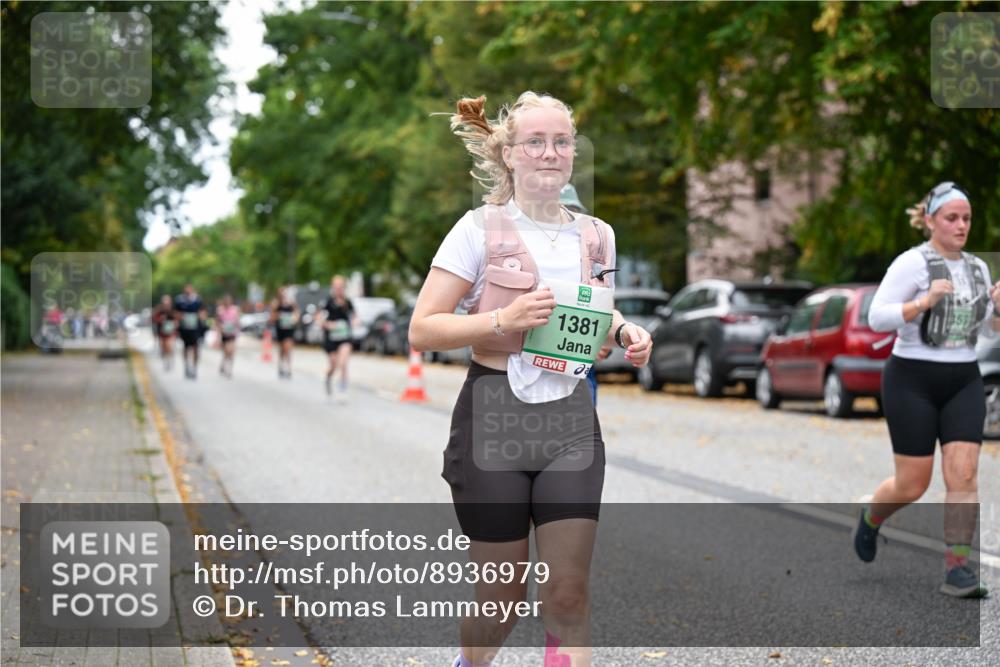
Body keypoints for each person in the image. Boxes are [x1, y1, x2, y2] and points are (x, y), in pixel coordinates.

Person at [409, 92, 652, 667]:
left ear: (574, 153)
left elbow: (594, 309)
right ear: (511, 155)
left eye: (561, 142)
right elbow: (422, 329)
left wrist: (623, 333)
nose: (550, 153)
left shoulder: (596, 235)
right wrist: (501, 320)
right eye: (536, 143)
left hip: (570, 418)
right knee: (501, 600)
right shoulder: (477, 229)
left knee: (567, 594)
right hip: (492, 417)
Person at [856, 181, 1000, 598]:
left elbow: (988, 332)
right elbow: (877, 318)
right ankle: (871, 517)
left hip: (963, 378)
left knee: (965, 474)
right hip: (911, 379)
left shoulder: (978, 268)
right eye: (952, 218)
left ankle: (958, 570)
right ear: (931, 220)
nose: (961, 226)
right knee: (912, 484)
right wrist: (922, 303)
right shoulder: (911, 264)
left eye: (967, 218)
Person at [318, 275, 358, 401]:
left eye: (341, 286)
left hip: (345, 337)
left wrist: (356, 322)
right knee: (333, 364)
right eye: (336, 287)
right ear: (333, 287)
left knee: (343, 362)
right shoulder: (327, 302)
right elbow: (318, 318)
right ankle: (328, 378)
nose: (339, 289)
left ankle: (342, 388)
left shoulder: (348, 302)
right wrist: (327, 324)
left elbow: (355, 316)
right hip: (331, 338)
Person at [174, 284, 206, 379]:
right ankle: (186, 365)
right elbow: (175, 313)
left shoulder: (198, 299)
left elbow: (203, 312)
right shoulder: (179, 300)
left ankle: (195, 367)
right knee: (186, 347)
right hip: (184, 328)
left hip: (196, 328)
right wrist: (181, 317)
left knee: (196, 347)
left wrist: (200, 317)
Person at [269, 286, 299, 379]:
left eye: (284, 293)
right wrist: (278, 316)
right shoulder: (276, 304)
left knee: (288, 348)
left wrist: (294, 318)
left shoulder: (291, 303)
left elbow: (296, 313)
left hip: (289, 329)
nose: (283, 295)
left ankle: (288, 368)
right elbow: (271, 318)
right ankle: (281, 365)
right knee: (282, 349)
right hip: (280, 329)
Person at [216, 295, 240, 378]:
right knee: (226, 351)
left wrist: (237, 324)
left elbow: (237, 320)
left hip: (232, 333)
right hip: (224, 333)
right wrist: (220, 330)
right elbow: (218, 322)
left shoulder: (235, 309)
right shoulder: (220, 310)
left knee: (231, 351)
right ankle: (224, 365)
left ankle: (229, 369)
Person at [152, 294, 178, 371]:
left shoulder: (173, 310)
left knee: (168, 345)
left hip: (171, 331)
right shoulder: (159, 310)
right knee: (163, 346)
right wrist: (160, 319)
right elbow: (153, 318)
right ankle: (166, 359)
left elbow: (177, 318)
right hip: (162, 331)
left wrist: (175, 323)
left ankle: (170, 358)